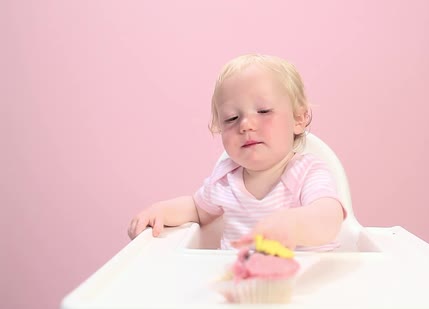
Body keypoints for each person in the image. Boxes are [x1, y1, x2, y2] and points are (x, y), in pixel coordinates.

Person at [127, 54, 346, 250]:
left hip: (304, 285)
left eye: (263, 111)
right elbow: (196, 208)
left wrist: (293, 224)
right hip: (241, 285)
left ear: (298, 118)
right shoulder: (225, 179)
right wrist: (159, 212)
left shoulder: (307, 172)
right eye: (232, 118)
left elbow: (329, 216)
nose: (246, 125)